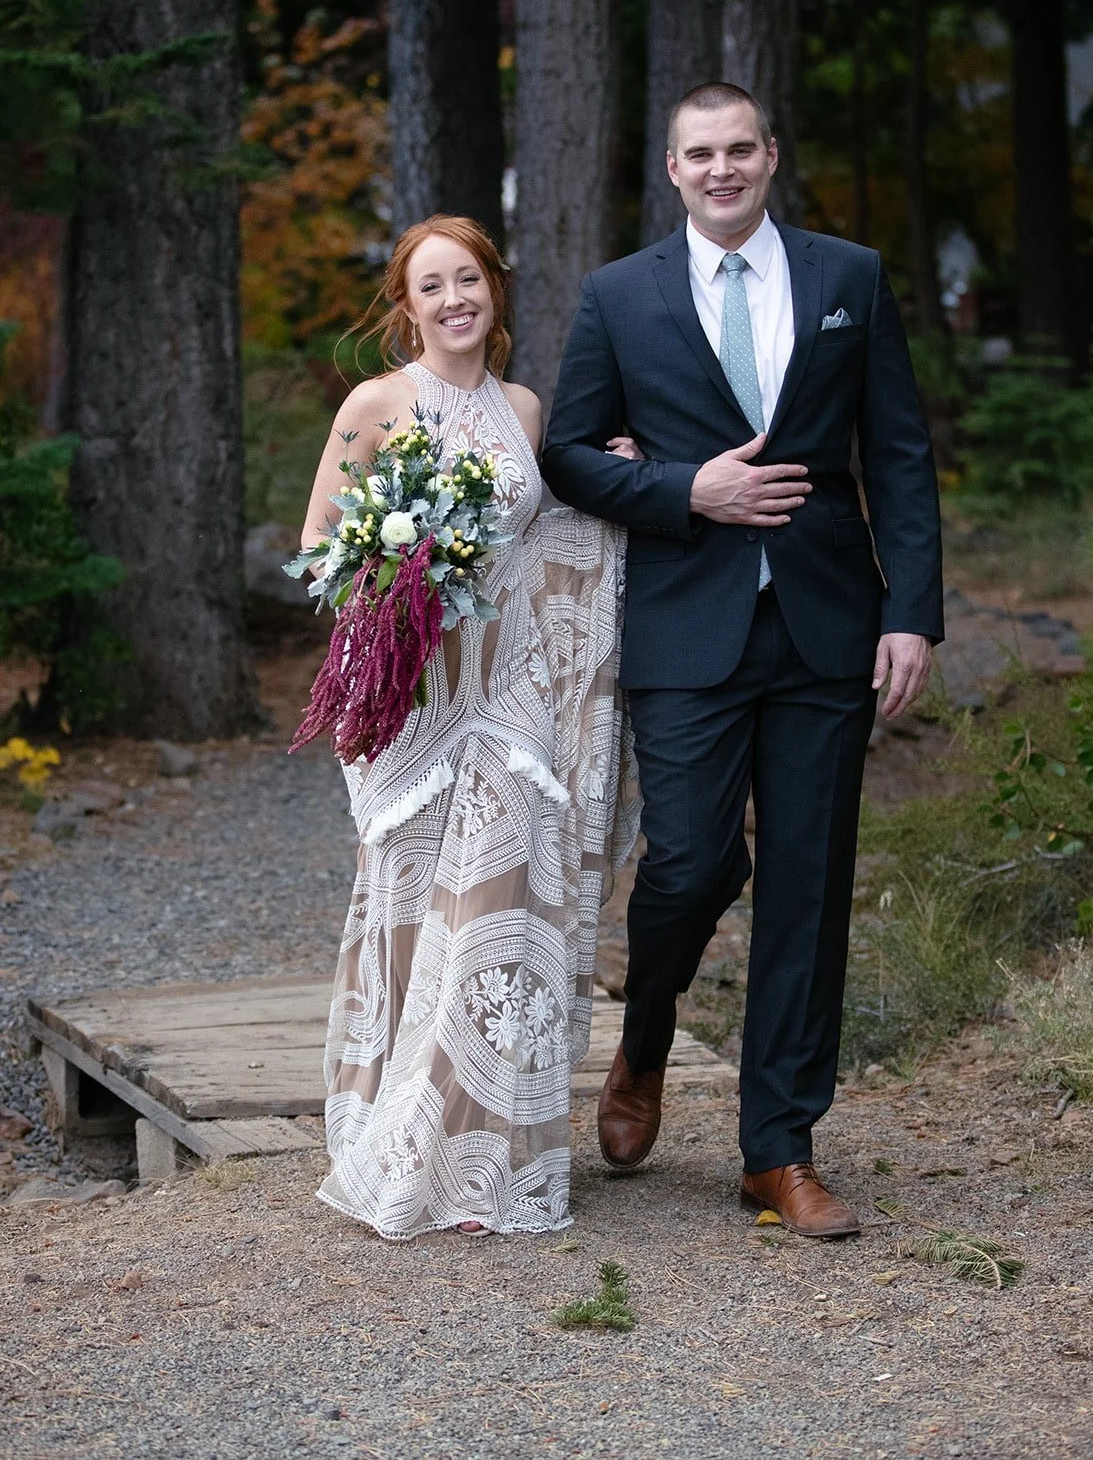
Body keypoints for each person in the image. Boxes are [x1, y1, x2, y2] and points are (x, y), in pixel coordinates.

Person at [541, 83, 943, 1238]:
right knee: (691, 860)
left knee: (807, 886)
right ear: (670, 170)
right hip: (684, 623)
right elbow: (568, 451)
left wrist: (908, 612)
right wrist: (683, 488)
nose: (720, 170)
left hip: (827, 622)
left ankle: (778, 1148)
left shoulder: (846, 278)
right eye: (697, 154)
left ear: (770, 156)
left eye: (738, 150)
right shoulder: (619, 295)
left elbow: (900, 452)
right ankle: (648, 1029)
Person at [300, 214, 639, 1240]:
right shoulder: (378, 402)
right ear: (405, 306)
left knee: (499, 900)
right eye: (431, 286)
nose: (454, 300)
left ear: (494, 290)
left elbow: (542, 534)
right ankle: (398, 1129)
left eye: (469, 280)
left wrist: (621, 476)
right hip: (417, 698)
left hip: (510, 695)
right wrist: (396, 568)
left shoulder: (523, 408)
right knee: (414, 907)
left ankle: (474, 1145)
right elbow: (317, 545)